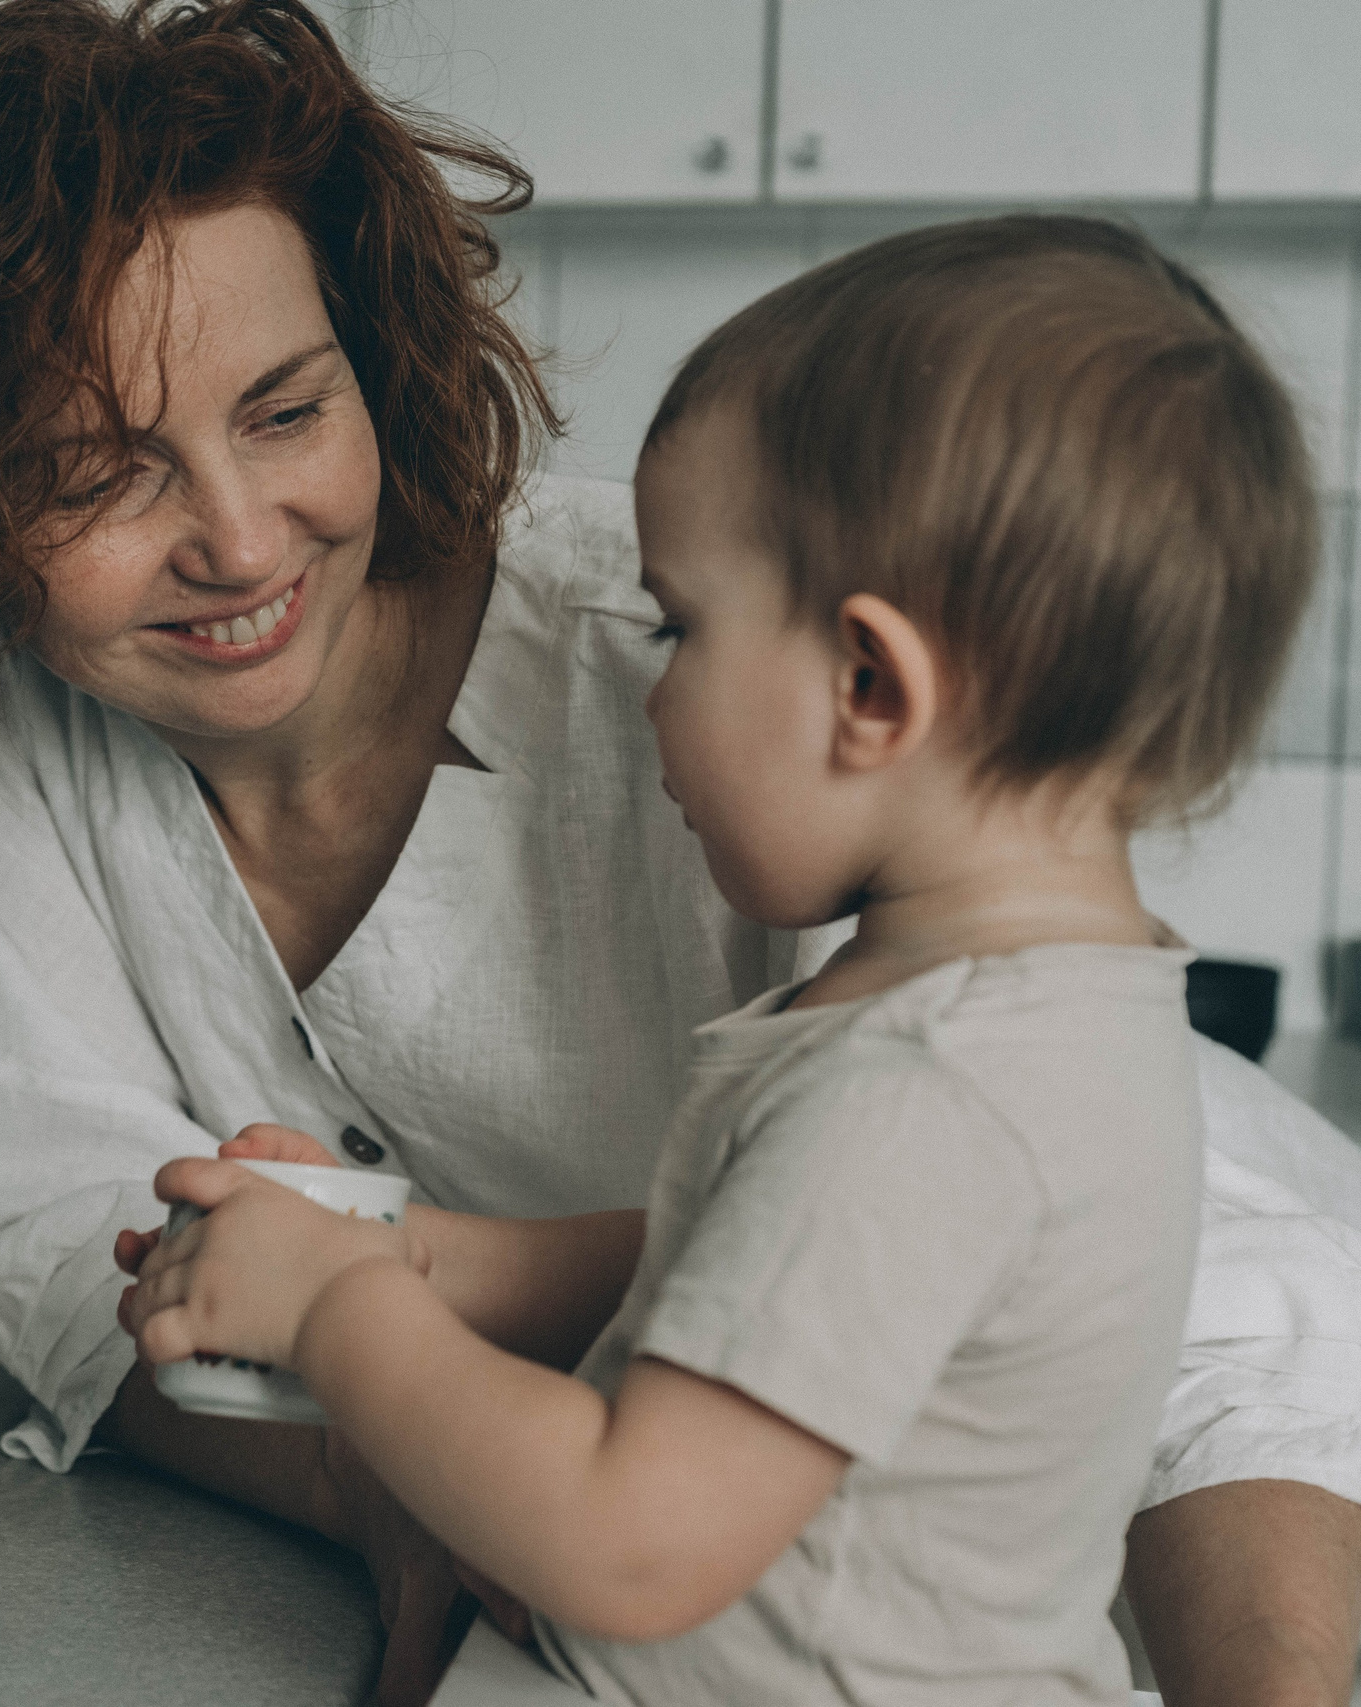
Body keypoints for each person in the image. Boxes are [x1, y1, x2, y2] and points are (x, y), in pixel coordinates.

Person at [0, 2, 1361, 1700]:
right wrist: (382, 1443)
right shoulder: (17, 724)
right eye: (95, 476)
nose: (238, 541)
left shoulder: (719, 674)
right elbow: (33, 1216)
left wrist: (351, 1320)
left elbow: (1194, 1296)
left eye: (290, 412)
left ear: (372, 361)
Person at [119, 213, 1307, 1703]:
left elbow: (627, 1542)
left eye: (679, 628)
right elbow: (766, 1262)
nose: (649, 692)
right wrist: (426, 1256)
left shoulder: (924, 1088)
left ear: (870, 686)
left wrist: (334, 1312)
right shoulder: (1044, 1003)